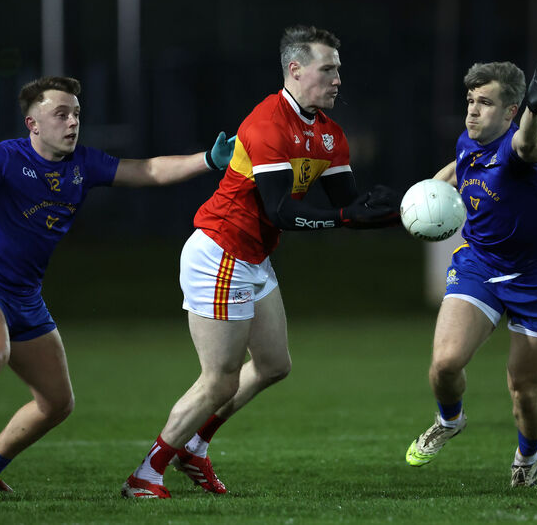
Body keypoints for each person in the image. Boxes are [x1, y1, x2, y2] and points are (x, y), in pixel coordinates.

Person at [0, 76, 236, 495]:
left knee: (57, 403)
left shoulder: (82, 165)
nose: (72, 123)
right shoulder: (6, 159)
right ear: (33, 123)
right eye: (61, 114)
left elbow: (149, 170)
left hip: (26, 297)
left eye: (77, 114)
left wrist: (207, 161)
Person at [121, 25, 400, 499]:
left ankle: (194, 446)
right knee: (219, 381)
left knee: (273, 364)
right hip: (221, 252)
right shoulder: (267, 124)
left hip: (253, 256)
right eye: (327, 69)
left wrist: (405, 212)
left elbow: (349, 206)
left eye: (339, 70)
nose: (337, 80)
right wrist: (344, 218)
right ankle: (146, 474)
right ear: (295, 69)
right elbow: (281, 211)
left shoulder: (329, 134)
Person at [404, 61, 537, 487]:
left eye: (486, 103)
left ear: (511, 111)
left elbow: (529, 143)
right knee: (444, 364)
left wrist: (536, 111)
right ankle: (450, 420)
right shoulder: (468, 141)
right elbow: (460, 168)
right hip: (480, 264)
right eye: (471, 102)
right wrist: (424, 196)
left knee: (525, 392)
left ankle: (527, 456)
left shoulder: (519, 154)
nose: (473, 112)